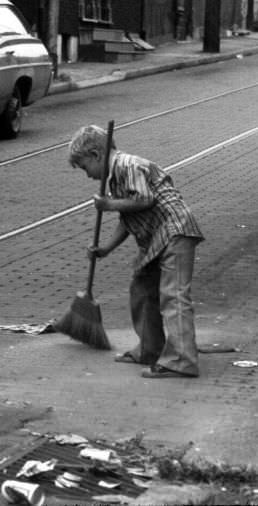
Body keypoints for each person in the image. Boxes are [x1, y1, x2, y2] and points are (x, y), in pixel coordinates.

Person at [68, 125, 204, 378]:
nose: (87, 176)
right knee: (141, 287)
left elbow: (144, 200)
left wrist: (109, 204)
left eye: (85, 167)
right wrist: (106, 248)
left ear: (97, 154)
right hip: (156, 239)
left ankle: (182, 360)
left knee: (173, 296)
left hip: (175, 231)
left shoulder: (126, 165)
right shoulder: (115, 176)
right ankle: (150, 349)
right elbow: (128, 216)